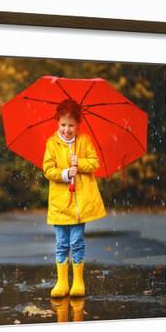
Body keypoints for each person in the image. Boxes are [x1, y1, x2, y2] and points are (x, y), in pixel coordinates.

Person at [42, 99, 107, 298]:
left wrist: (80, 163)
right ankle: (62, 282)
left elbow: (95, 163)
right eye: (63, 125)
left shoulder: (84, 141)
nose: (67, 129)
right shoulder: (52, 143)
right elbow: (47, 169)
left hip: (79, 204)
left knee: (77, 241)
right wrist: (64, 174)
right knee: (62, 243)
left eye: (71, 125)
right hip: (60, 203)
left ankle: (78, 281)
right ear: (57, 123)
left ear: (78, 124)